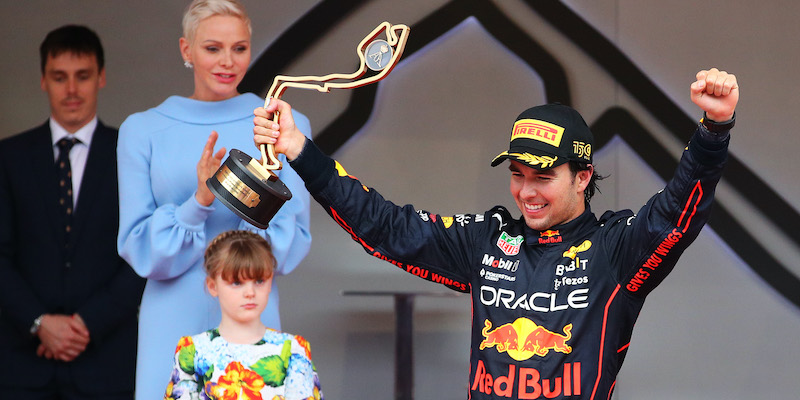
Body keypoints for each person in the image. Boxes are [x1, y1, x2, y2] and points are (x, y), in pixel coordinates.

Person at [253, 68, 738, 399]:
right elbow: (385, 225)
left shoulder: (616, 249)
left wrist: (713, 131)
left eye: (543, 177)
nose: (526, 192)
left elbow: (676, 213)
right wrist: (298, 149)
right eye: (518, 174)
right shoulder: (488, 241)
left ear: (583, 177)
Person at [116, 1, 313, 399]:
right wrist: (200, 199)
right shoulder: (142, 130)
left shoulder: (282, 127)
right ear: (186, 50)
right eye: (212, 48)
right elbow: (138, 248)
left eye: (239, 48)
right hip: (169, 321)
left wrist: (254, 197)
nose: (228, 61)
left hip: (251, 317)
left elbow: (290, 247)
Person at [0, 25, 145, 399]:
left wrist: (86, 324)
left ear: (101, 77)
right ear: (43, 80)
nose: (71, 90)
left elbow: (143, 252)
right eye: (59, 77)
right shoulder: (8, 157)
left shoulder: (131, 154)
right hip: (22, 363)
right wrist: (38, 322)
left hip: (107, 362)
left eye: (82, 76)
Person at [164, 230, 323, 400]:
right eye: (237, 282)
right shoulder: (192, 350)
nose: (250, 292)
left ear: (270, 282)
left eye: (259, 280)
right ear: (213, 286)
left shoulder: (293, 350)